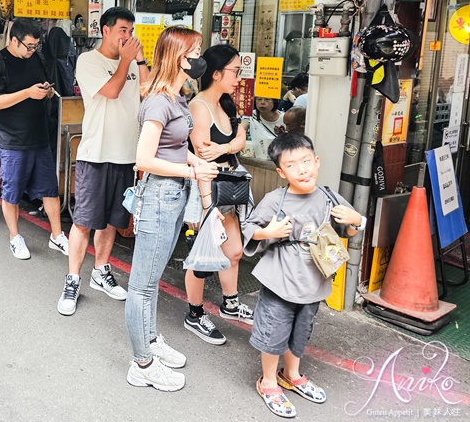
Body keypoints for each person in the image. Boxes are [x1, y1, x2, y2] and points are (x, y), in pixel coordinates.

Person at [243, 132, 365, 417]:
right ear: (280, 171)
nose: (302, 169)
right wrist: (267, 232)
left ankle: (292, 374)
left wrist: (358, 221)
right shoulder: (276, 199)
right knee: (274, 331)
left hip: (314, 280)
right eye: (292, 165)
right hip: (281, 280)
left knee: (301, 331)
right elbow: (248, 229)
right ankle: (269, 381)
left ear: (317, 161)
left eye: (306, 161)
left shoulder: (328, 196)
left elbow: (349, 225)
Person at [124, 26, 219, 392]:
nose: (199, 57)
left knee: (152, 280)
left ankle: (150, 341)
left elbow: (176, 148)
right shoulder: (159, 102)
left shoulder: (177, 97)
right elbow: (144, 159)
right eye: (194, 50)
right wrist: (191, 169)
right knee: (142, 286)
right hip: (160, 196)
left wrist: (195, 162)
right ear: (176, 55)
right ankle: (142, 363)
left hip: (174, 194)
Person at [57, 7, 149, 316]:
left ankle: (101, 270)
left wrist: (141, 60)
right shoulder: (89, 61)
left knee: (112, 221)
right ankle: (72, 279)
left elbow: (147, 93)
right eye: (123, 29)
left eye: (131, 31)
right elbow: (111, 91)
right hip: (95, 155)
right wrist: (127, 60)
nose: (128, 36)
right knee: (84, 222)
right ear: (105, 30)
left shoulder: (133, 63)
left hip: (126, 156)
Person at [0, 18, 69, 260]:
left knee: (50, 189)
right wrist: (27, 93)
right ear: (13, 40)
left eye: (35, 46)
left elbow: (42, 88)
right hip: (11, 139)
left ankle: (57, 235)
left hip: (39, 135)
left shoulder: (37, 58)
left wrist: (47, 91)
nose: (32, 51)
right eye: (28, 46)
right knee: (12, 192)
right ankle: (14, 237)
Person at [184, 43, 251, 346]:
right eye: (235, 71)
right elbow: (200, 155)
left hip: (228, 187)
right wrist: (206, 206)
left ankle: (231, 302)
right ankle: (195, 314)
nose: (238, 77)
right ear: (216, 73)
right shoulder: (199, 107)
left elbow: (240, 140)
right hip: (208, 189)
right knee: (203, 258)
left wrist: (224, 147)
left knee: (233, 250)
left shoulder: (225, 103)